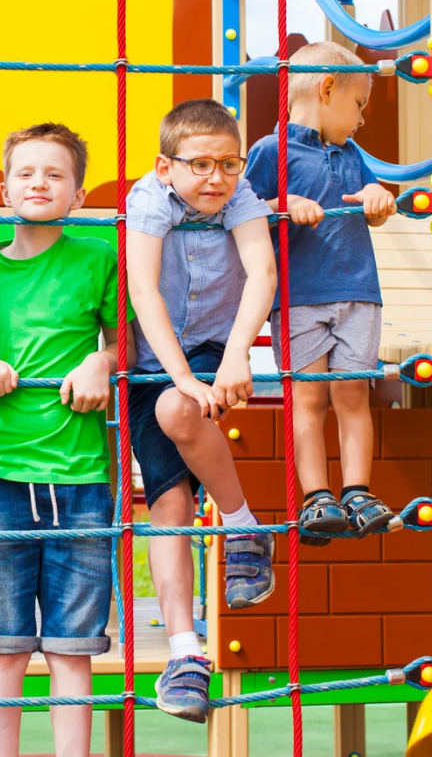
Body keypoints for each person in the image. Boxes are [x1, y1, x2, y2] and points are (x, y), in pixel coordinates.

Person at [0, 124, 133, 757]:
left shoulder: (98, 257)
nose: (39, 183)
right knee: (1, 642)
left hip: (80, 473)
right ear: (4, 188)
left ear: (78, 192)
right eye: (26, 173)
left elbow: (123, 343)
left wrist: (100, 363)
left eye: (54, 174)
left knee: (73, 644)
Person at [124, 98, 278, 724]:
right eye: (199, 165)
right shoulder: (150, 199)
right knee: (169, 503)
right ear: (166, 167)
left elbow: (261, 271)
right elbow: (141, 289)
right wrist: (181, 375)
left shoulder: (238, 194)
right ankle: (184, 653)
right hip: (153, 352)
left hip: (216, 342)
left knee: (180, 414)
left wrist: (239, 354)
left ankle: (242, 523)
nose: (216, 177)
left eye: (228, 163)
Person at [244, 41, 404, 546]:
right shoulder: (271, 152)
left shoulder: (353, 156)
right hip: (299, 296)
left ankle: (357, 491)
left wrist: (380, 198)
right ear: (328, 88)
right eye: (358, 106)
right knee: (308, 397)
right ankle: (317, 495)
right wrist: (281, 203)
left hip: (358, 291)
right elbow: (242, 215)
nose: (360, 120)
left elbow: (373, 202)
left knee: (354, 392)